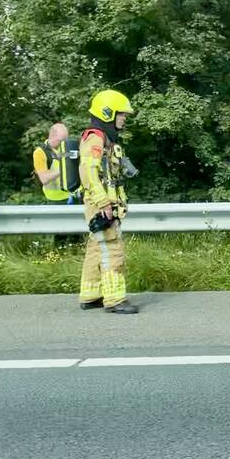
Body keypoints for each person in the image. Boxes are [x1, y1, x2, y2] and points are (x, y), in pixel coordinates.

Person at [78, 90, 139, 314]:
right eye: (121, 115)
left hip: (103, 202)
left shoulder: (104, 138)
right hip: (100, 203)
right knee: (113, 248)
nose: (123, 119)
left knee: (97, 247)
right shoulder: (95, 138)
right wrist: (104, 202)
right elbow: (88, 171)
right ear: (107, 113)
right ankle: (114, 299)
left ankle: (91, 294)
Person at [33, 123, 80, 203]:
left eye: (66, 139)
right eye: (61, 140)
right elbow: (44, 179)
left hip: (75, 196)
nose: (64, 142)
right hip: (56, 201)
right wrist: (65, 167)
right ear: (52, 137)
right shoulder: (40, 152)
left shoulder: (66, 148)